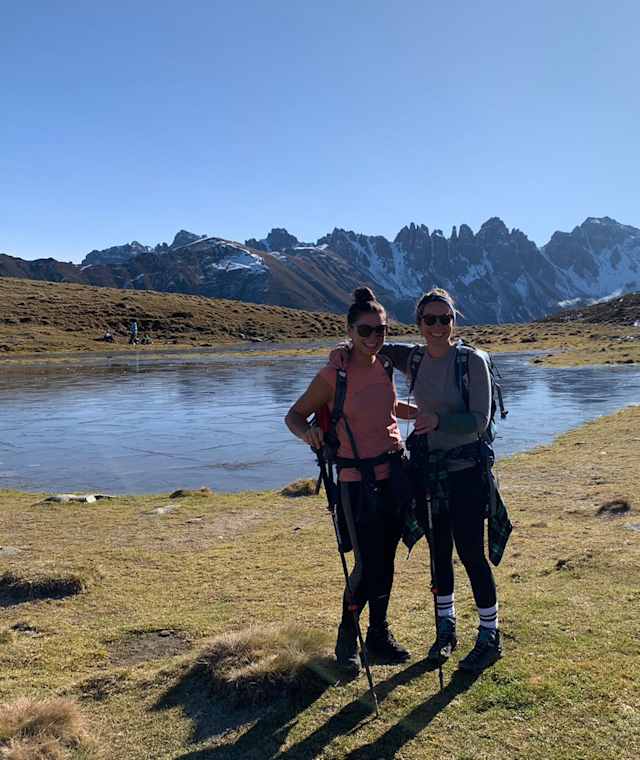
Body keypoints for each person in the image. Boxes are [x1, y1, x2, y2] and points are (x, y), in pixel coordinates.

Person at [285, 287, 416, 673]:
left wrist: (424, 413)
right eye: (366, 330)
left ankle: (378, 636)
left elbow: (389, 407)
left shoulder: (385, 366)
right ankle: (348, 639)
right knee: (366, 563)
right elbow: (294, 415)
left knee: (387, 558)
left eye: (382, 330)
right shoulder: (333, 375)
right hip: (356, 482)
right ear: (349, 330)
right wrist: (307, 434)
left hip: (394, 474)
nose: (374, 337)